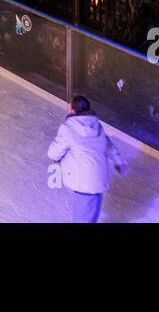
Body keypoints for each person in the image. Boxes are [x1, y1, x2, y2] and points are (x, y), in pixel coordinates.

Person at [46, 95, 125, 223]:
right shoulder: (97, 126)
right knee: (89, 213)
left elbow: (53, 153)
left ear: (72, 110)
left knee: (83, 217)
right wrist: (120, 162)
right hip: (98, 180)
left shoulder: (68, 129)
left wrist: (58, 159)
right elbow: (109, 146)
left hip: (82, 182)